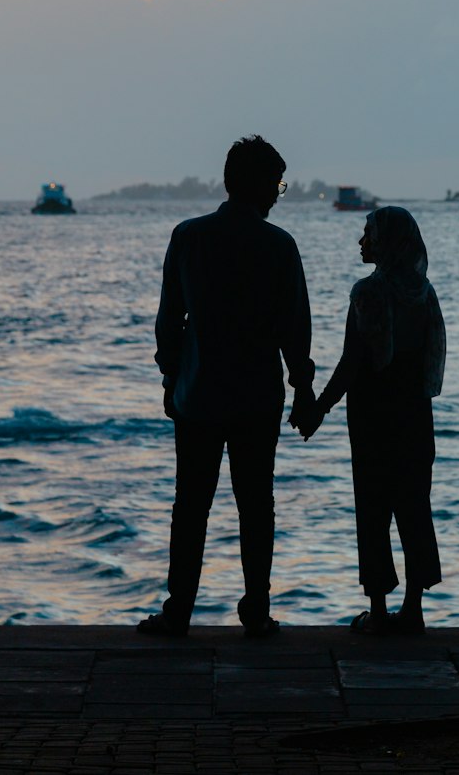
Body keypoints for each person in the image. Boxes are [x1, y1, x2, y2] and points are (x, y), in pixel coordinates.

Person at [139, 135, 316, 638]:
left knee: (190, 504)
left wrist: (170, 378)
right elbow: (294, 328)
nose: (279, 193)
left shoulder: (188, 237)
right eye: (278, 184)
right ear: (260, 186)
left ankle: (179, 609)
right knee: (256, 504)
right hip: (258, 395)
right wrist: (303, 389)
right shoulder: (278, 245)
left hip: (198, 394)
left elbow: (169, 318)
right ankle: (255, 609)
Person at [298, 206, 445, 634]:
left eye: (369, 235)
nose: (362, 242)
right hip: (416, 414)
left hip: (374, 415)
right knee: (415, 507)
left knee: (374, 509)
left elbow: (352, 363)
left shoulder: (368, 292)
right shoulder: (425, 292)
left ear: (387, 242)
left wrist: (318, 408)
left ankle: (379, 613)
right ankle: (413, 609)